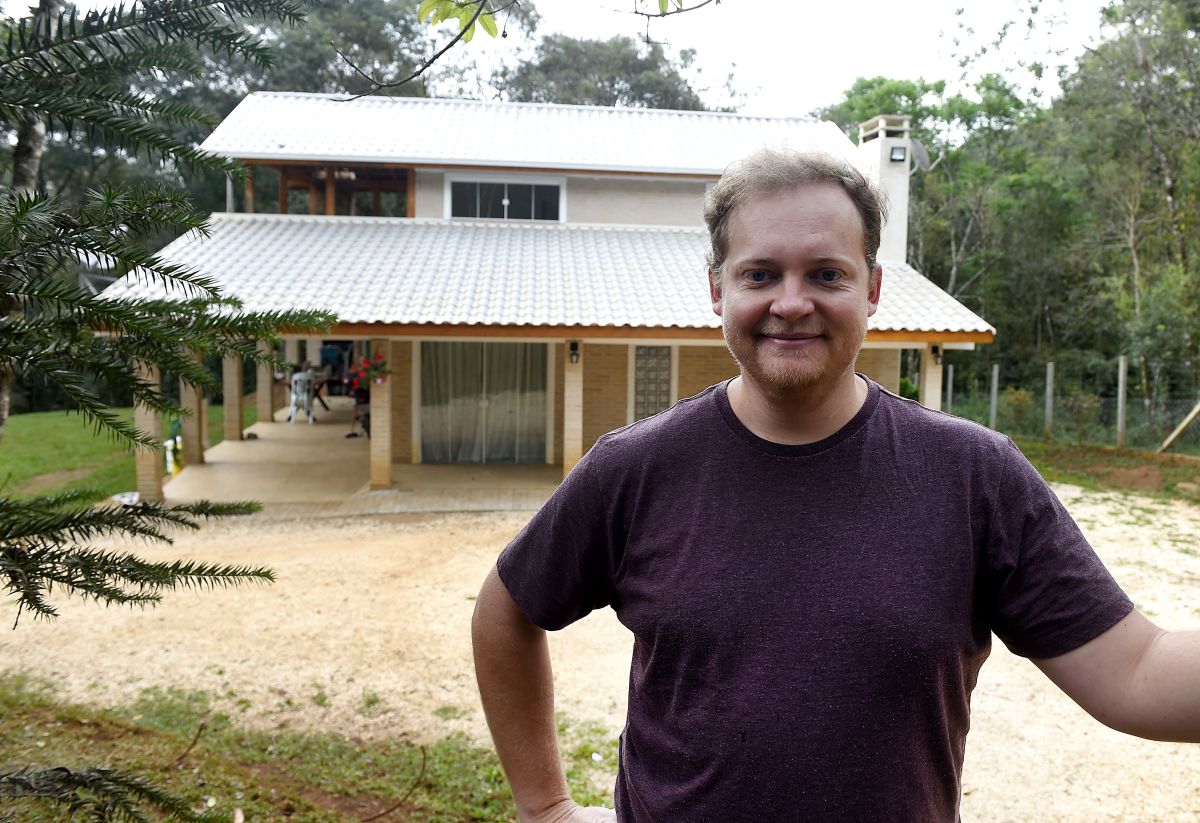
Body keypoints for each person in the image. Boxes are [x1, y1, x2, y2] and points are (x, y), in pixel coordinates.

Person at [471, 150, 1200, 822]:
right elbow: (505, 612)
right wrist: (547, 807)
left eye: (826, 274)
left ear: (872, 289)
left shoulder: (975, 478)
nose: (792, 302)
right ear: (718, 289)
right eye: (761, 274)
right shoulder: (633, 469)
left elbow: (1135, 671)